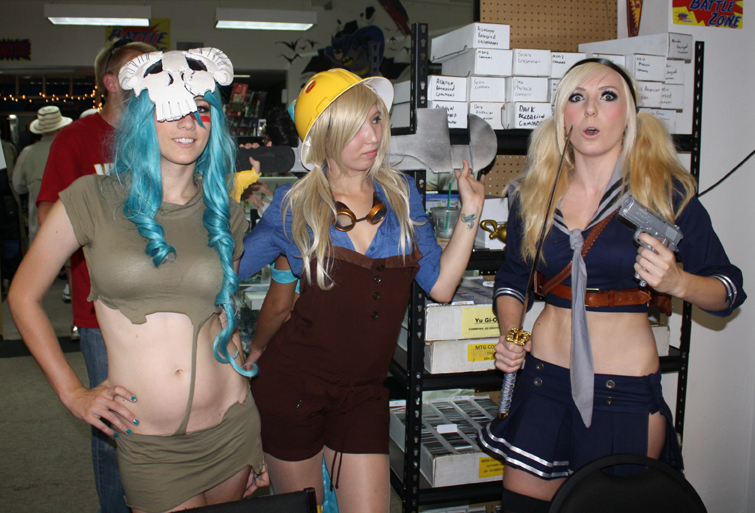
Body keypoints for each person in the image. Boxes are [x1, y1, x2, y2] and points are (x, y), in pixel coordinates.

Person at [8, 47, 267, 512]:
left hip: (232, 427)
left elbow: (223, 314)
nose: (188, 122)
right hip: (150, 444)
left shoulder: (224, 212)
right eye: (171, 108)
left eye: (201, 109)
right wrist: (73, 393)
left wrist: (257, 439)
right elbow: (23, 296)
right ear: (145, 117)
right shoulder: (92, 198)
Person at [477, 59, 746, 505]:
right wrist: (512, 335)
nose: (590, 110)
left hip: (622, 392)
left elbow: (728, 290)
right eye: (576, 98)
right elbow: (513, 280)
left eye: (607, 96)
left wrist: (678, 282)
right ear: (562, 116)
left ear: (630, 115)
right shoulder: (533, 194)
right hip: (541, 383)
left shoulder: (664, 193)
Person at [238, 68, 485, 512]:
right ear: (325, 138)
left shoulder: (402, 195)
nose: (372, 136)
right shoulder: (293, 205)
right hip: (293, 390)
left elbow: (441, 286)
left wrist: (472, 210)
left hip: (364, 394)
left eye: (375, 119)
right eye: (355, 127)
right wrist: (224, 201)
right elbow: (224, 271)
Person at [34, 38, 155, 513]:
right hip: (100, 310)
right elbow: (48, 215)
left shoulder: (157, 134)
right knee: (113, 426)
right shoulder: (76, 139)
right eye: (138, 70)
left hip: (159, 304)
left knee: (160, 418)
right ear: (111, 82)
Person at [12, 106, 72, 243]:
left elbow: (18, 186)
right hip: (69, 226)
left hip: (38, 225)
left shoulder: (28, 152)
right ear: (60, 128)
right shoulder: (70, 149)